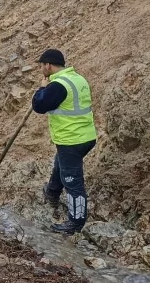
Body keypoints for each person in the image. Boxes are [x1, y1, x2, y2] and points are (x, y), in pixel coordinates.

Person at [31, 48, 97, 235]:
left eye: (42, 66)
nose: (41, 69)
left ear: (49, 65)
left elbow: (39, 106)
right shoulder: (78, 78)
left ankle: (76, 222)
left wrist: (42, 88)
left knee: (73, 181)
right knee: (61, 164)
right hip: (86, 136)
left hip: (71, 140)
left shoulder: (58, 85)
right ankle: (52, 191)